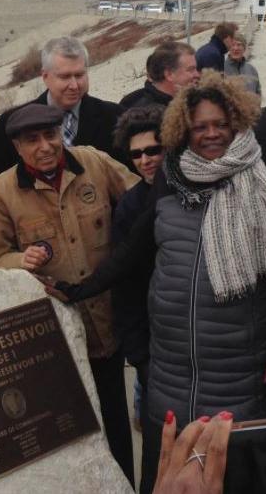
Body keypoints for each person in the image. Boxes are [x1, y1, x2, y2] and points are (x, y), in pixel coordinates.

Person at [51, 72, 266, 491]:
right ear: (184, 130)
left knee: (234, 477)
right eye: (200, 126)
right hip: (169, 370)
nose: (211, 135)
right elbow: (133, 252)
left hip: (238, 369)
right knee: (166, 476)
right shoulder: (171, 177)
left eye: (220, 124)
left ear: (237, 123)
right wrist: (77, 291)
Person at [0, 103, 140, 484]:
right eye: (32, 140)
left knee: (116, 422)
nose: (45, 146)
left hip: (108, 323)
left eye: (51, 135)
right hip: (55, 337)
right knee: (73, 431)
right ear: (18, 147)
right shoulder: (3, 191)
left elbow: (139, 201)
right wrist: (21, 259)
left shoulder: (93, 163)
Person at [110, 105, 166, 471]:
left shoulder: (197, 187)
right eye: (136, 154)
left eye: (153, 150)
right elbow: (124, 283)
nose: (145, 160)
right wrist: (138, 353)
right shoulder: (129, 207)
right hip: (154, 338)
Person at [0, 36, 124, 175]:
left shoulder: (115, 117)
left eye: (79, 75)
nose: (74, 85)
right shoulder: (10, 124)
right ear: (45, 76)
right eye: (65, 77)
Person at [119, 41, 199, 109]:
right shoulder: (145, 114)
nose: (197, 75)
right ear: (169, 74)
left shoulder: (191, 101)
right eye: (191, 69)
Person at [222, 32, 261, 96]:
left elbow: (258, 93)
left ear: (244, 48)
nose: (235, 48)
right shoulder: (221, 69)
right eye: (233, 45)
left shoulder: (252, 70)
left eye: (239, 45)